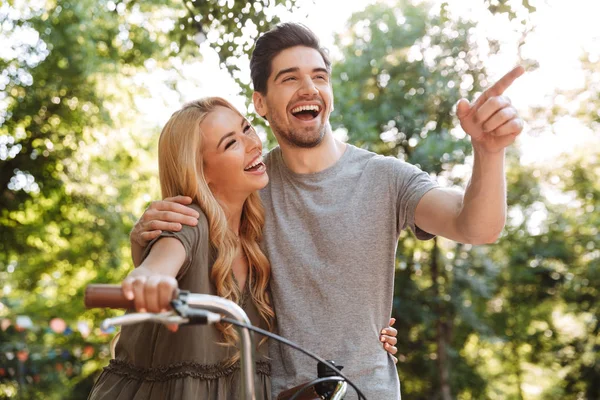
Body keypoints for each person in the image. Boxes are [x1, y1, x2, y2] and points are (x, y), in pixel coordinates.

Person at [130, 23, 524, 399]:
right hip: (279, 394)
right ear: (261, 102)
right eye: (289, 78)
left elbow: (475, 226)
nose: (309, 89)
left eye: (319, 76)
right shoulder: (249, 188)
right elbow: (190, 249)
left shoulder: (386, 178)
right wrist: (145, 247)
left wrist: (488, 151)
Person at [89, 97, 398, 400]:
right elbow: (158, 265)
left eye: (247, 128)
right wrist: (149, 281)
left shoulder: (258, 239)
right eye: (230, 143)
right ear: (202, 172)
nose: (253, 144)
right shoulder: (188, 222)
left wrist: (368, 338)